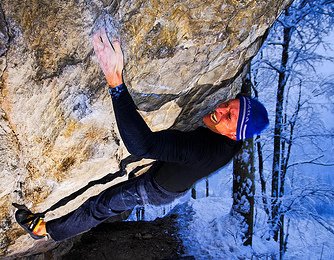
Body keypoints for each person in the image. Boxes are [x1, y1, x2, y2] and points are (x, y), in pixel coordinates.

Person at [14, 28, 269, 241]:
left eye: (229, 118)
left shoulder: (203, 149)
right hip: (171, 171)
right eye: (230, 105)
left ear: (235, 135)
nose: (221, 110)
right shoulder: (233, 140)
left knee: (102, 205)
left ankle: (43, 230)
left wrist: (115, 81)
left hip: (156, 189)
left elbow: (141, 145)